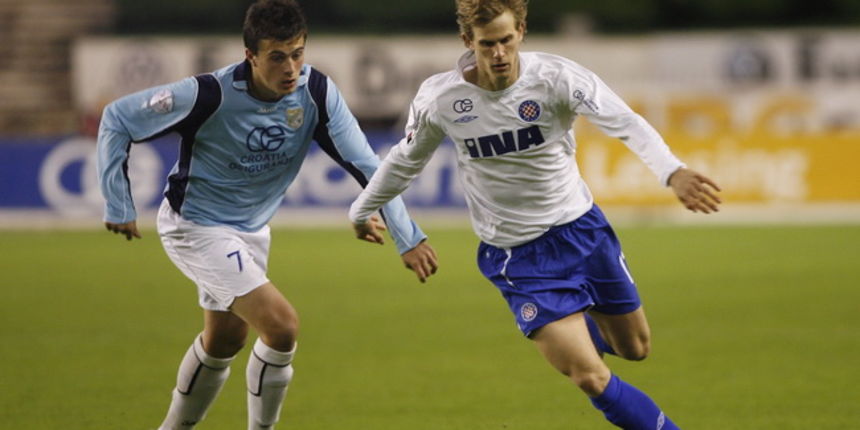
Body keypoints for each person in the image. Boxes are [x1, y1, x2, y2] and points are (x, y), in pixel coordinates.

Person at [349, 0, 721, 428]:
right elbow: (403, 161)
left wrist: (671, 171)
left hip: (585, 232)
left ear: (521, 31)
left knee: (636, 347)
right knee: (590, 376)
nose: (500, 54)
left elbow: (626, 122)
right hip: (520, 258)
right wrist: (361, 211)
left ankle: (574, 324)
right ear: (468, 41)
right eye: (488, 44)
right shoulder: (442, 99)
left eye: (507, 40)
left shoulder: (557, 77)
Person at [97, 1, 438, 428]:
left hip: (253, 231)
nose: (291, 67)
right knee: (281, 327)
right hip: (197, 226)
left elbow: (369, 167)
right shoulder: (209, 94)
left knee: (224, 340)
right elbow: (117, 118)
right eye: (277, 56)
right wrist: (118, 202)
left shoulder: (316, 94)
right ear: (250, 56)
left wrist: (408, 236)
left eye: (297, 53)